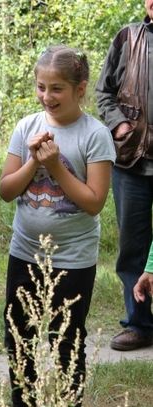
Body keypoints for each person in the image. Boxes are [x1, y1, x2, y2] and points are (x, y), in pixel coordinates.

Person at [0, 46, 115, 406]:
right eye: (41, 87)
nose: (46, 96)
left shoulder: (94, 135)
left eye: (56, 88)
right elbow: (5, 190)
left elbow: (94, 202)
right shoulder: (26, 127)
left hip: (73, 258)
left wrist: (57, 167)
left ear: (80, 89)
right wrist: (33, 163)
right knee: (21, 343)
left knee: (67, 345)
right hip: (25, 253)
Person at [96, 0, 153, 351]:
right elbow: (104, 92)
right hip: (131, 160)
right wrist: (119, 124)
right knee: (133, 245)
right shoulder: (128, 38)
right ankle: (139, 323)